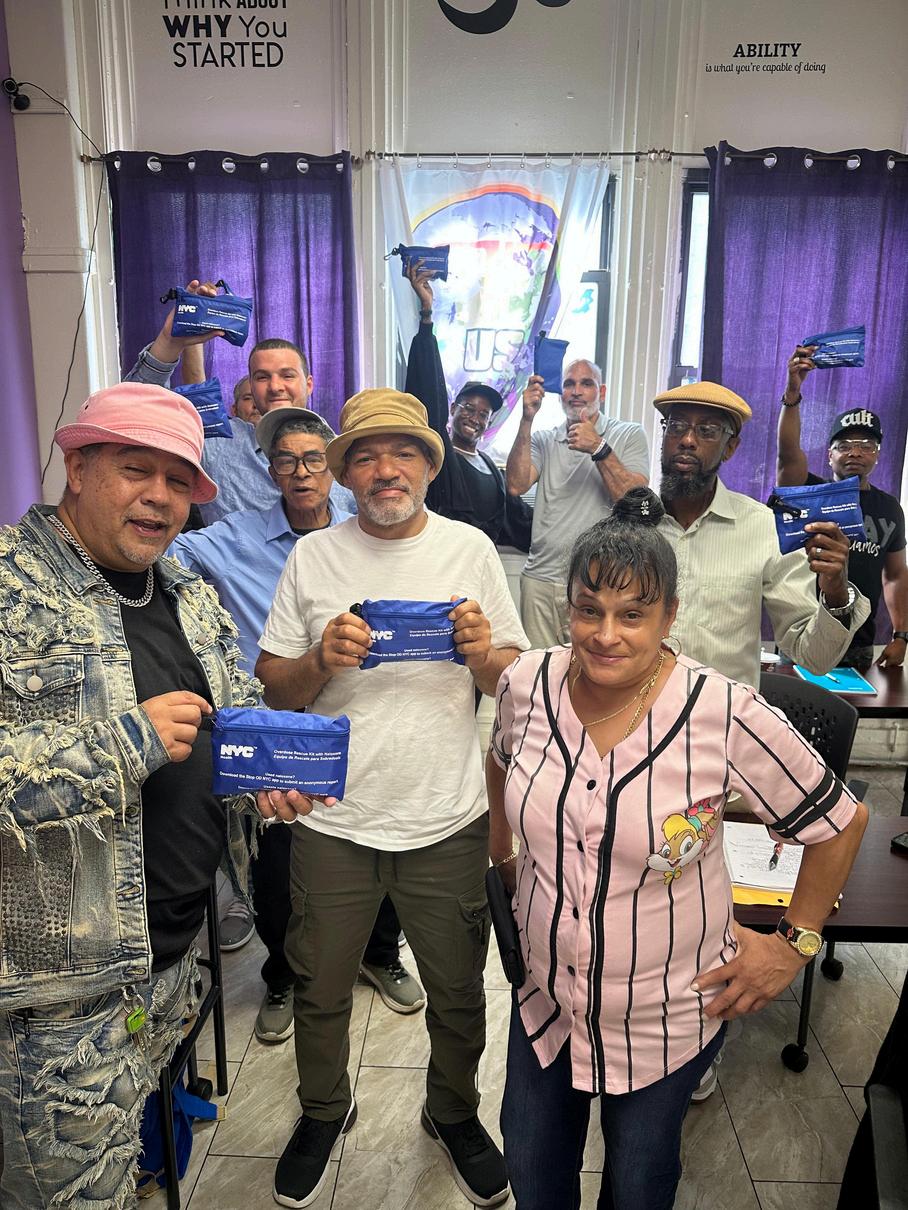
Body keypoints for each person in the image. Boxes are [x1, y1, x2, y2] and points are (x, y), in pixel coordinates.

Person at [487, 487, 868, 1210]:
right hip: (546, 999)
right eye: (589, 610)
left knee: (638, 1184)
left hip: (665, 1015)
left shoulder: (722, 711)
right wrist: (503, 858)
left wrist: (793, 943)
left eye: (633, 615)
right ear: (567, 609)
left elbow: (841, 823)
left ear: (669, 618)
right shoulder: (526, 682)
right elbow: (501, 758)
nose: (606, 634)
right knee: (533, 1174)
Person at [0, 382, 273, 1209]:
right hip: (60, 1001)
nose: (160, 496)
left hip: (174, 959)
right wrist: (125, 744)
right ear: (79, 467)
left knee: (130, 1157)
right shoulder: (11, 590)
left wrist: (264, 775)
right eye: (135, 469)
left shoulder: (182, 587)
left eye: (178, 480)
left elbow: (232, 706)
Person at [255, 388, 529, 1208]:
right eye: (367, 456)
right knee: (319, 986)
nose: (385, 470)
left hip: (446, 817)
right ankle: (323, 1111)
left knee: (458, 991)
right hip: (332, 820)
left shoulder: (470, 549)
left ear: (429, 466)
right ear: (345, 474)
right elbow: (274, 688)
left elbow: (514, 681)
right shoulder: (314, 558)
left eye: (403, 453)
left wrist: (483, 654)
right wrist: (320, 661)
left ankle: (453, 1112)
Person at [168, 409, 424, 1043]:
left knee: (382, 837)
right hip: (278, 723)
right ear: (271, 470)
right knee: (278, 863)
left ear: (331, 467)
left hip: (363, 712)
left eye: (313, 459)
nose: (301, 472)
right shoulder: (233, 538)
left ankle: (379, 953)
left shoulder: (367, 526)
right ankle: (282, 974)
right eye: (286, 461)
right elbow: (156, 545)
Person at [653, 381, 871, 688]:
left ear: (730, 448)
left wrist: (835, 593)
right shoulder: (631, 525)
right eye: (676, 426)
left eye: (707, 430)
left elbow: (814, 658)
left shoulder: (765, 529)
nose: (687, 440)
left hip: (723, 715)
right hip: (635, 711)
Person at [126, 280, 354, 523]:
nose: (275, 387)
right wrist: (170, 342)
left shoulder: (343, 454)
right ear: (251, 386)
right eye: (262, 377)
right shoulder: (218, 442)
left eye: (287, 376)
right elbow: (137, 410)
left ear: (309, 384)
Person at [776, 346, 908, 671]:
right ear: (829, 455)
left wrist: (901, 635)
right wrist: (792, 393)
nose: (855, 453)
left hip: (859, 645)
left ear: (877, 455)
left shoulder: (890, 508)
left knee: (854, 708)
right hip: (805, 638)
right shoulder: (807, 493)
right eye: (844, 445)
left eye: (866, 446)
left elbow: (895, 575)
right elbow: (788, 454)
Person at [506, 359, 650, 648]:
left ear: (602, 392)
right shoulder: (544, 439)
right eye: (569, 384)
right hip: (540, 579)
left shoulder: (629, 434)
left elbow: (634, 501)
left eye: (586, 384)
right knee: (541, 668)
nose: (576, 391)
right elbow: (516, 485)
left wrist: (598, 447)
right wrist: (526, 418)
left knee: (594, 666)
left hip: (600, 582)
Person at [403, 261, 533, 549]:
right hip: (442, 558)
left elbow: (522, 520)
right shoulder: (440, 455)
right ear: (452, 410)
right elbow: (428, 394)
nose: (475, 417)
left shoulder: (491, 467)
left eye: (484, 414)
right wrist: (427, 314)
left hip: (481, 562)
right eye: (469, 409)